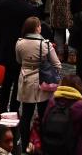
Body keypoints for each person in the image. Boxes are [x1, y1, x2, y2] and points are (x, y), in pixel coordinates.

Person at [0, 0, 39, 114]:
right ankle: (14, 108)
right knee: (19, 81)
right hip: (21, 49)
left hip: (5, 46)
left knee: (6, 81)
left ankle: (2, 108)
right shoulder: (29, 8)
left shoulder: (3, 3)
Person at [15, 16, 61, 152]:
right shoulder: (45, 44)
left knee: (26, 115)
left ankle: (24, 145)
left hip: (25, 79)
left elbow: (18, 60)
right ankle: (43, 144)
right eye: (39, 25)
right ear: (36, 28)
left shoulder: (19, 43)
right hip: (42, 81)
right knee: (43, 115)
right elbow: (57, 64)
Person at [41, 74, 82, 155]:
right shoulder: (80, 104)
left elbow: (44, 122)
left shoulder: (53, 100)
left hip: (51, 147)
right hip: (74, 149)